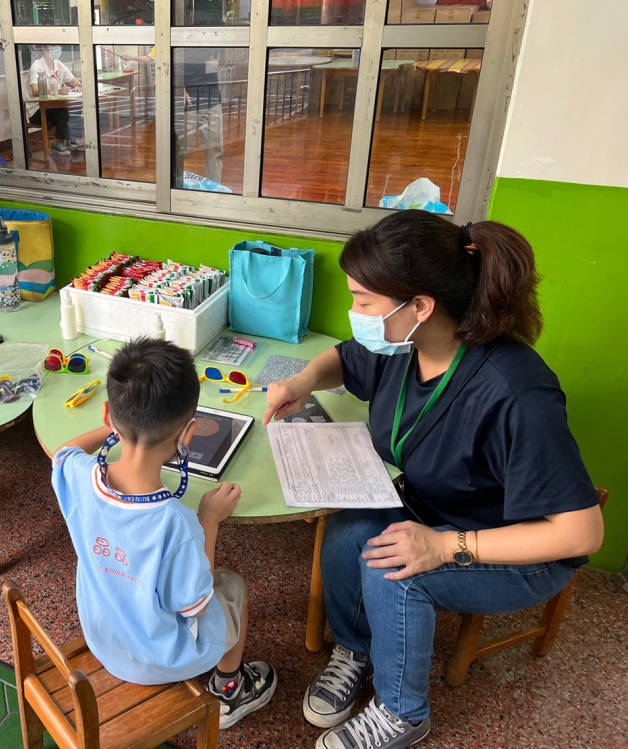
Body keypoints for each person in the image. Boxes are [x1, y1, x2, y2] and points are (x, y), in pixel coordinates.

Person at [263, 211, 604, 749]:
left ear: (420, 306)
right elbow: (345, 358)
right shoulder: (406, 346)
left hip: (519, 547)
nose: (355, 315)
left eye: (363, 302)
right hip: (434, 507)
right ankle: (356, 648)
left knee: (394, 571)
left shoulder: (516, 393)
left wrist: (445, 546)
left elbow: (581, 533)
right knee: (348, 529)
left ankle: (403, 713)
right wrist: (302, 381)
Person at [52, 338, 277, 729]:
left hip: (103, 640)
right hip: (161, 660)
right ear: (188, 435)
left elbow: (65, 453)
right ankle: (230, 689)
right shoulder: (178, 523)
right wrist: (209, 521)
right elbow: (196, 604)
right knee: (232, 586)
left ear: (107, 414)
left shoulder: (78, 476)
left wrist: (114, 430)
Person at [174, 48, 225, 187]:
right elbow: (172, 63)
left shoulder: (214, 41)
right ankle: (175, 183)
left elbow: (218, 58)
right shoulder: (183, 41)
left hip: (212, 96)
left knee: (215, 147)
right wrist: (180, 89)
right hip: (188, 99)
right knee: (182, 148)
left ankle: (214, 187)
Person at [26, 45, 85, 156]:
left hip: (54, 107)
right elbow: (35, 90)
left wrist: (77, 85)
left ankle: (72, 140)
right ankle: (58, 144)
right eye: (54, 46)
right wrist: (57, 91)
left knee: (75, 106)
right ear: (44, 48)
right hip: (37, 111)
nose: (57, 48)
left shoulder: (59, 64)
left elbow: (73, 80)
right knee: (63, 110)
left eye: (58, 46)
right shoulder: (37, 66)